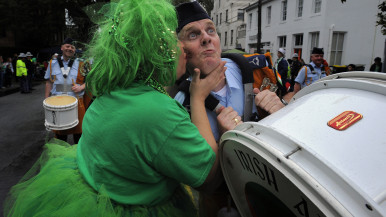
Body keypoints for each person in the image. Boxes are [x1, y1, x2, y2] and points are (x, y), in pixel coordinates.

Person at [4, 0, 226, 216]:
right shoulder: (160, 113)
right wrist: (198, 99)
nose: (183, 49)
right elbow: (209, 178)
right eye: (172, 40)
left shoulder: (111, 92)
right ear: (157, 53)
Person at [174, 2, 286, 216]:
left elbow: (289, 111)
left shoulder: (258, 70)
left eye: (210, 30)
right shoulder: (180, 107)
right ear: (181, 51)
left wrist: (278, 113)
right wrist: (224, 143)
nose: (207, 38)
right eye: (193, 35)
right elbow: (202, 182)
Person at [44, 37, 86, 144]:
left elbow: (90, 81)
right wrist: (46, 99)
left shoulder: (82, 63)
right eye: (67, 46)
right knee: (60, 136)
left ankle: (78, 157)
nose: (70, 49)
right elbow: (49, 82)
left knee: (79, 135)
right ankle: (62, 156)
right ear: (62, 48)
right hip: (58, 103)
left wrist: (81, 87)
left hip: (77, 103)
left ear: (75, 50)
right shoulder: (52, 63)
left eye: (72, 47)